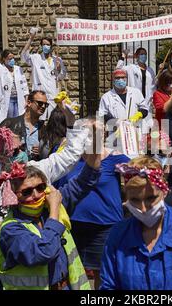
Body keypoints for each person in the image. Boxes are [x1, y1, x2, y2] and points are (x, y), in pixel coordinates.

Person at [100, 113, 172, 290]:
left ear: (164, 191)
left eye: (151, 198)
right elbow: (109, 285)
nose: (143, 208)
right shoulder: (118, 236)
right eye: (135, 200)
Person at [0, 124, 104, 290]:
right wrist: (54, 210)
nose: (36, 195)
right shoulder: (11, 229)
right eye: (26, 192)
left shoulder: (46, 206)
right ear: (14, 196)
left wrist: (96, 139)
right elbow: (43, 252)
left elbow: (85, 180)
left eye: (40, 188)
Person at [51, 118, 130, 289]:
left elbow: (136, 177)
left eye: (91, 134)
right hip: (74, 226)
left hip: (105, 226)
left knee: (104, 272)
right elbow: (57, 188)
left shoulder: (115, 158)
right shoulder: (67, 158)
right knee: (71, 272)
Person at [0, 43, 29, 127]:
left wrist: (26, 99)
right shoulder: (0, 68)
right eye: (9, 59)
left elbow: (24, 85)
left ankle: (18, 135)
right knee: (10, 120)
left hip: (19, 99)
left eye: (13, 58)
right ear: (4, 59)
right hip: (7, 99)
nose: (12, 60)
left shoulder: (18, 69)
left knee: (20, 119)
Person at [21, 34, 66, 119]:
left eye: (48, 45)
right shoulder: (36, 58)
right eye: (44, 44)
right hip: (40, 94)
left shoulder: (57, 59)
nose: (46, 46)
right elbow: (23, 56)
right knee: (39, 120)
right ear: (41, 46)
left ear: (51, 46)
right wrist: (31, 38)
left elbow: (61, 76)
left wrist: (59, 68)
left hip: (53, 94)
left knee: (53, 120)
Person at [0, 90, 50, 161]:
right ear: (29, 103)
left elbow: (52, 153)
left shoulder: (45, 128)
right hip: (13, 169)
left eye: (46, 104)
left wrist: (43, 151)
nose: (43, 106)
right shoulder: (9, 124)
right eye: (40, 103)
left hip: (35, 169)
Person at [117, 47, 156, 133]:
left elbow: (153, 86)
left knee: (146, 128)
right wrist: (123, 56)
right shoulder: (131, 68)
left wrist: (153, 98)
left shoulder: (150, 70)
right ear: (136, 56)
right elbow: (118, 70)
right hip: (134, 101)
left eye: (145, 54)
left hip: (147, 102)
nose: (144, 56)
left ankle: (144, 145)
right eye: (141, 54)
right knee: (134, 127)